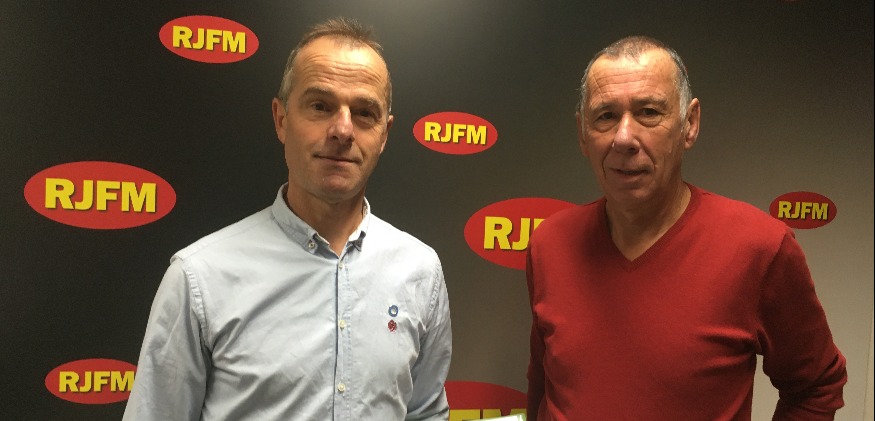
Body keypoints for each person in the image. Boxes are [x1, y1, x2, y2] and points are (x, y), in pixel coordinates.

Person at [123, 17, 452, 420]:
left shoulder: (420, 271)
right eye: (320, 106)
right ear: (281, 119)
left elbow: (425, 412)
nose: (343, 130)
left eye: (364, 112)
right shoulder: (199, 279)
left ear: (384, 134)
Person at [525, 35, 847, 420]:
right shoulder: (549, 243)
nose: (624, 138)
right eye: (606, 116)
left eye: (648, 112)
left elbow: (816, 387)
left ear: (689, 124)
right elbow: (544, 382)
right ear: (583, 133)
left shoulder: (759, 248)